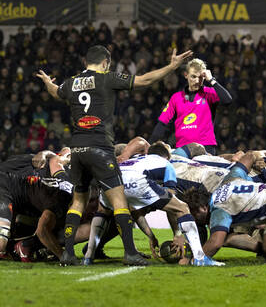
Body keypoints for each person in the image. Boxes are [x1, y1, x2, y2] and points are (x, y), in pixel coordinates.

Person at [36, 45, 192, 266]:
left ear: (85, 62)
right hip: (100, 148)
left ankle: (68, 254)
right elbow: (145, 80)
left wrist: (47, 82)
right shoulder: (106, 78)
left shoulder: (71, 83)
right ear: (106, 63)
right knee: (119, 200)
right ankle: (130, 253)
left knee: (78, 201)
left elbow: (55, 91)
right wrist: (172, 66)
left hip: (78, 150)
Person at [83, 142, 224, 267]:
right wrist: (177, 234)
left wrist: (151, 236)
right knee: (182, 208)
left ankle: (88, 256)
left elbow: (134, 211)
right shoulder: (166, 164)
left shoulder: (137, 160)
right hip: (138, 181)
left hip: (113, 178)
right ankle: (200, 258)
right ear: (166, 157)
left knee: (103, 211)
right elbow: (171, 197)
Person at [183, 151, 266, 260]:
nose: (195, 221)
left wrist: (193, 260)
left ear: (203, 208)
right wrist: (256, 158)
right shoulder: (229, 180)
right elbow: (249, 156)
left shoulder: (219, 209)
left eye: (194, 216)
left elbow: (215, 242)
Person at [149, 58, 232, 155]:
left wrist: (212, 80)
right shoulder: (176, 98)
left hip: (206, 148)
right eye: (193, 77)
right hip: (182, 149)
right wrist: (150, 144)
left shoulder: (209, 93)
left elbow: (228, 100)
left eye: (200, 77)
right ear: (186, 75)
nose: (197, 81)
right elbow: (162, 124)